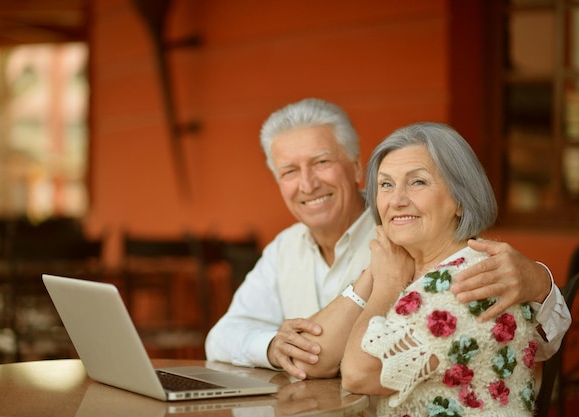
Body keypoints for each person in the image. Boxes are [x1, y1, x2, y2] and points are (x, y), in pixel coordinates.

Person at [204, 98, 570, 381]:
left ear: (353, 165)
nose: (307, 184)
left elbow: (533, 344)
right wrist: (270, 346)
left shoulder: (415, 237)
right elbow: (221, 336)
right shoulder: (285, 247)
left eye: (320, 162)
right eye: (289, 171)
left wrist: (540, 283)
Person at [339, 122, 552, 416]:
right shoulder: (412, 269)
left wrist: (386, 283)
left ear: (460, 201)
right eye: (386, 184)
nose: (397, 200)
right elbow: (323, 355)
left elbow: (358, 374)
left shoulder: (466, 282)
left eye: (418, 182)